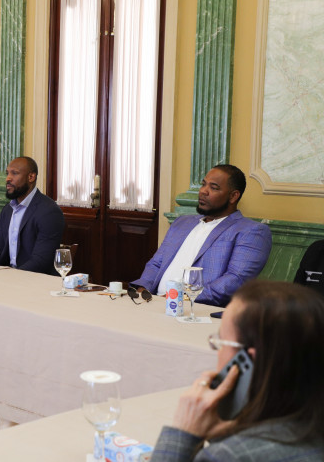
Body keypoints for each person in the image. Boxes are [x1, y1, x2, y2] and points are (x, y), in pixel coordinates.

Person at [150, 281, 324, 461]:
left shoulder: (227, 454)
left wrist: (183, 433)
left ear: (249, 360)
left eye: (220, 342)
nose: (217, 352)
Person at [131, 165, 272, 307]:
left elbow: (235, 280)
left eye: (214, 187)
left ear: (233, 196)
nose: (203, 191)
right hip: (152, 302)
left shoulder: (251, 231)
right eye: (203, 184)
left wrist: (176, 297)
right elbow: (156, 263)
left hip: (196, 310)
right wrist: (143, 290)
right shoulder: (181, 223)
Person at [0, 157, 65, 275]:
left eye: (14, 173)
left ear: (31, 177)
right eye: (7, 173)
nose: (8, 178)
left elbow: (41, 260)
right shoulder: (7, 210)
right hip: (9, 276)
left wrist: (12, 276)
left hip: (36, 279)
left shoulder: (49, 211)